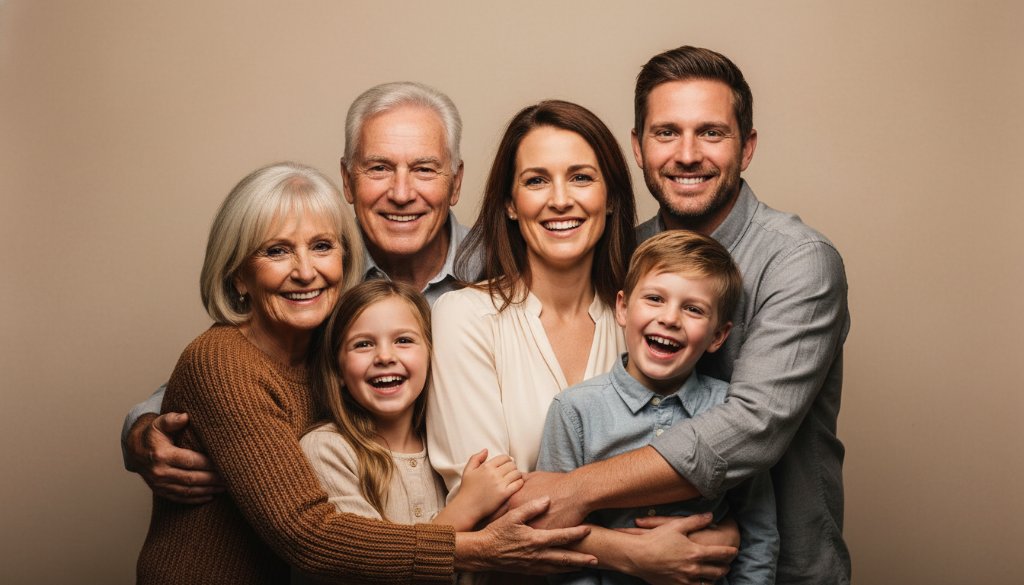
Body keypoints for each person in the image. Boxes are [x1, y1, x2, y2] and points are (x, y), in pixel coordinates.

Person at [135, 161, 598, 584]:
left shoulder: (331, 344)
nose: (305, 271)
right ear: (238, 276)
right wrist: (479, 546)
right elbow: (307, 534)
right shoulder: (223, 359)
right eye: (276, 251)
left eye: (321, 247)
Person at [512, 46, 852, 585]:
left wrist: (571, 490)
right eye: (666, 132)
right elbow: (521, 249)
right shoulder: (624, 251)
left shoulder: (798, 261)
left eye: (712, 133)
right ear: (638, 148)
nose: (687, 154)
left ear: (747, 148)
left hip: (781, 567)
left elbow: (750, 427)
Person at [427, 101, 738, 584]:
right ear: (509, 203)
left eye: (580, 178)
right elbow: (489, 507)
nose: (559, 200)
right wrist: (630, 553)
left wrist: (725, 531)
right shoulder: (465, 317)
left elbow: (697, 451)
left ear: (612, 197)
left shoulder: (645, 324)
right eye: (535, 180)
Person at [120, 81, 475, 503]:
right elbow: (233, 375)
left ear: (455, 182)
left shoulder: (503, 270)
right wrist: (141, 431)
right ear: (347, 179)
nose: (401, 193)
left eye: (424, 169)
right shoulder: (317, 279)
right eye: (378, 168)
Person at [536, 231, 778, 585]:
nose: (670, 318)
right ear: (622, 307)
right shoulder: (574, 411)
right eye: (654, 298)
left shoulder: (731, 411)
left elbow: (759, 533)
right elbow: (560, 532)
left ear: (717, 336)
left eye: (693, 309)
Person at [300, 279, 523, 531]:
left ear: (432, 356)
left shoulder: (446, 449)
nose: (385, 357)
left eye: (403, 340)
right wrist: (467, 507)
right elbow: (368, 565)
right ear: (338, 369)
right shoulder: (327, 450)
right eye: (363, 344)